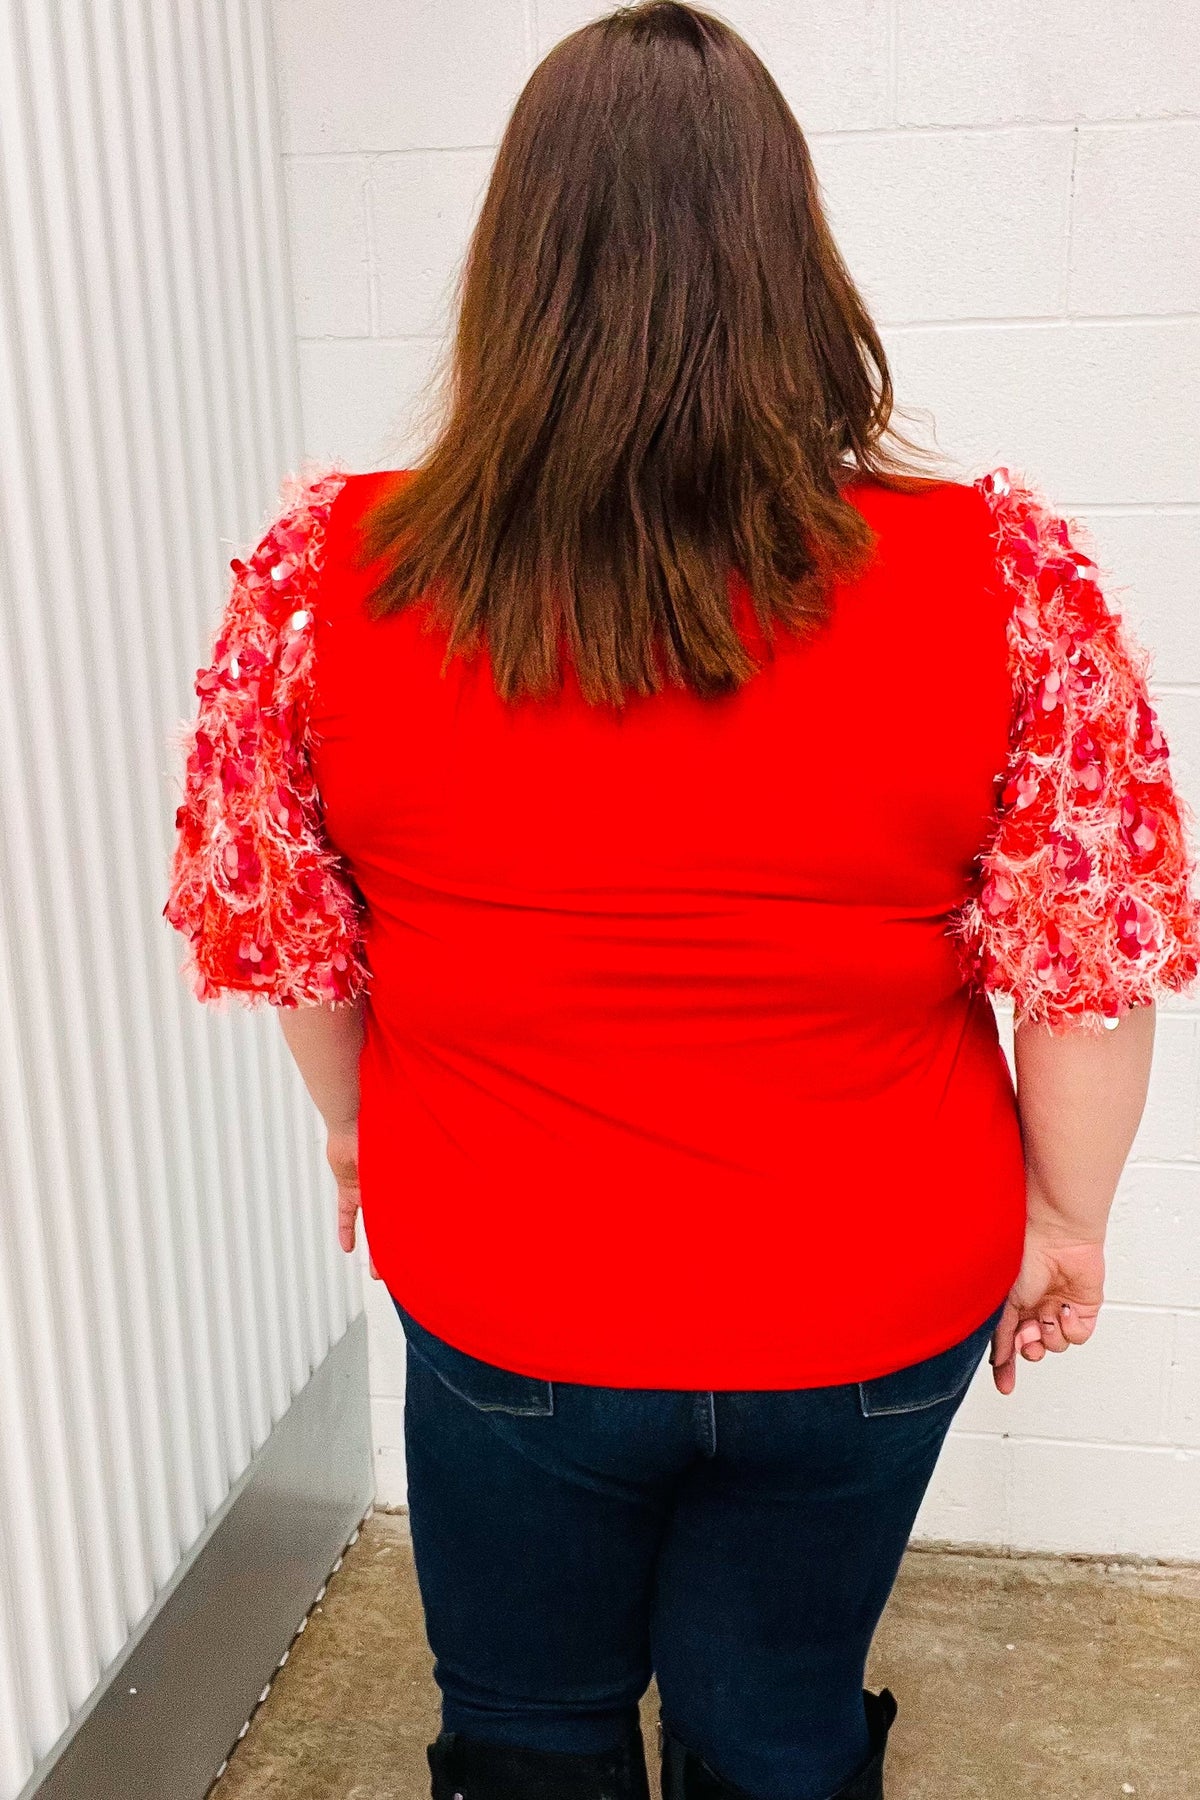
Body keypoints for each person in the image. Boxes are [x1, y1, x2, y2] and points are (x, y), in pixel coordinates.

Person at [163, 5, 1200, 1797]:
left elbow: (295, 942)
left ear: (515, 272)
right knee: (778, 1724)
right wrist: (1066, 1215)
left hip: (509, 1283)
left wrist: (354, 1135)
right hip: (875, 1296)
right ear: (795, 264)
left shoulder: (323, 578)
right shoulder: (1000, 572)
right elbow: (1091, 971)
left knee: (528, 1725)